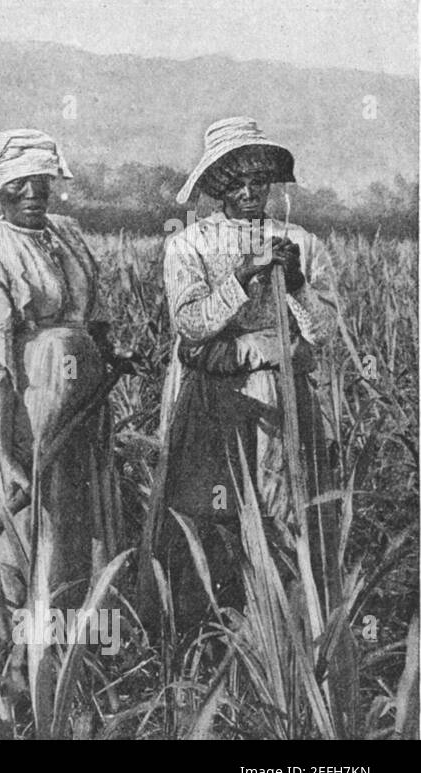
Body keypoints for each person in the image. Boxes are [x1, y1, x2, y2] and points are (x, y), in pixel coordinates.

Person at [0, 129, 119, 650]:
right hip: (22, 410)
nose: (34, 193)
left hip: (78, 404)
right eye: (19, 186)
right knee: (28, 528)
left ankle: (75, 638)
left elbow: (88, 316)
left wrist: (105, 351)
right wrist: (10, 454)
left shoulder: (66, 235)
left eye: (41, 181)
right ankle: (10, 650)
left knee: (75, 520)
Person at [152, 116, 338, 624]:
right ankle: (220, 627)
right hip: (221, 393)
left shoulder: (300, 240)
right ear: (216, 189)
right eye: (236, 183)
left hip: (287, 390)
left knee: (290, 505)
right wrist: (241, 276)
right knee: (221, 507)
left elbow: (323, 331)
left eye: (259, 180)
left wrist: (295, 283)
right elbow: (191, 325)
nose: (250, 191)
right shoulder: (189, 245)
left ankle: (289, 622)